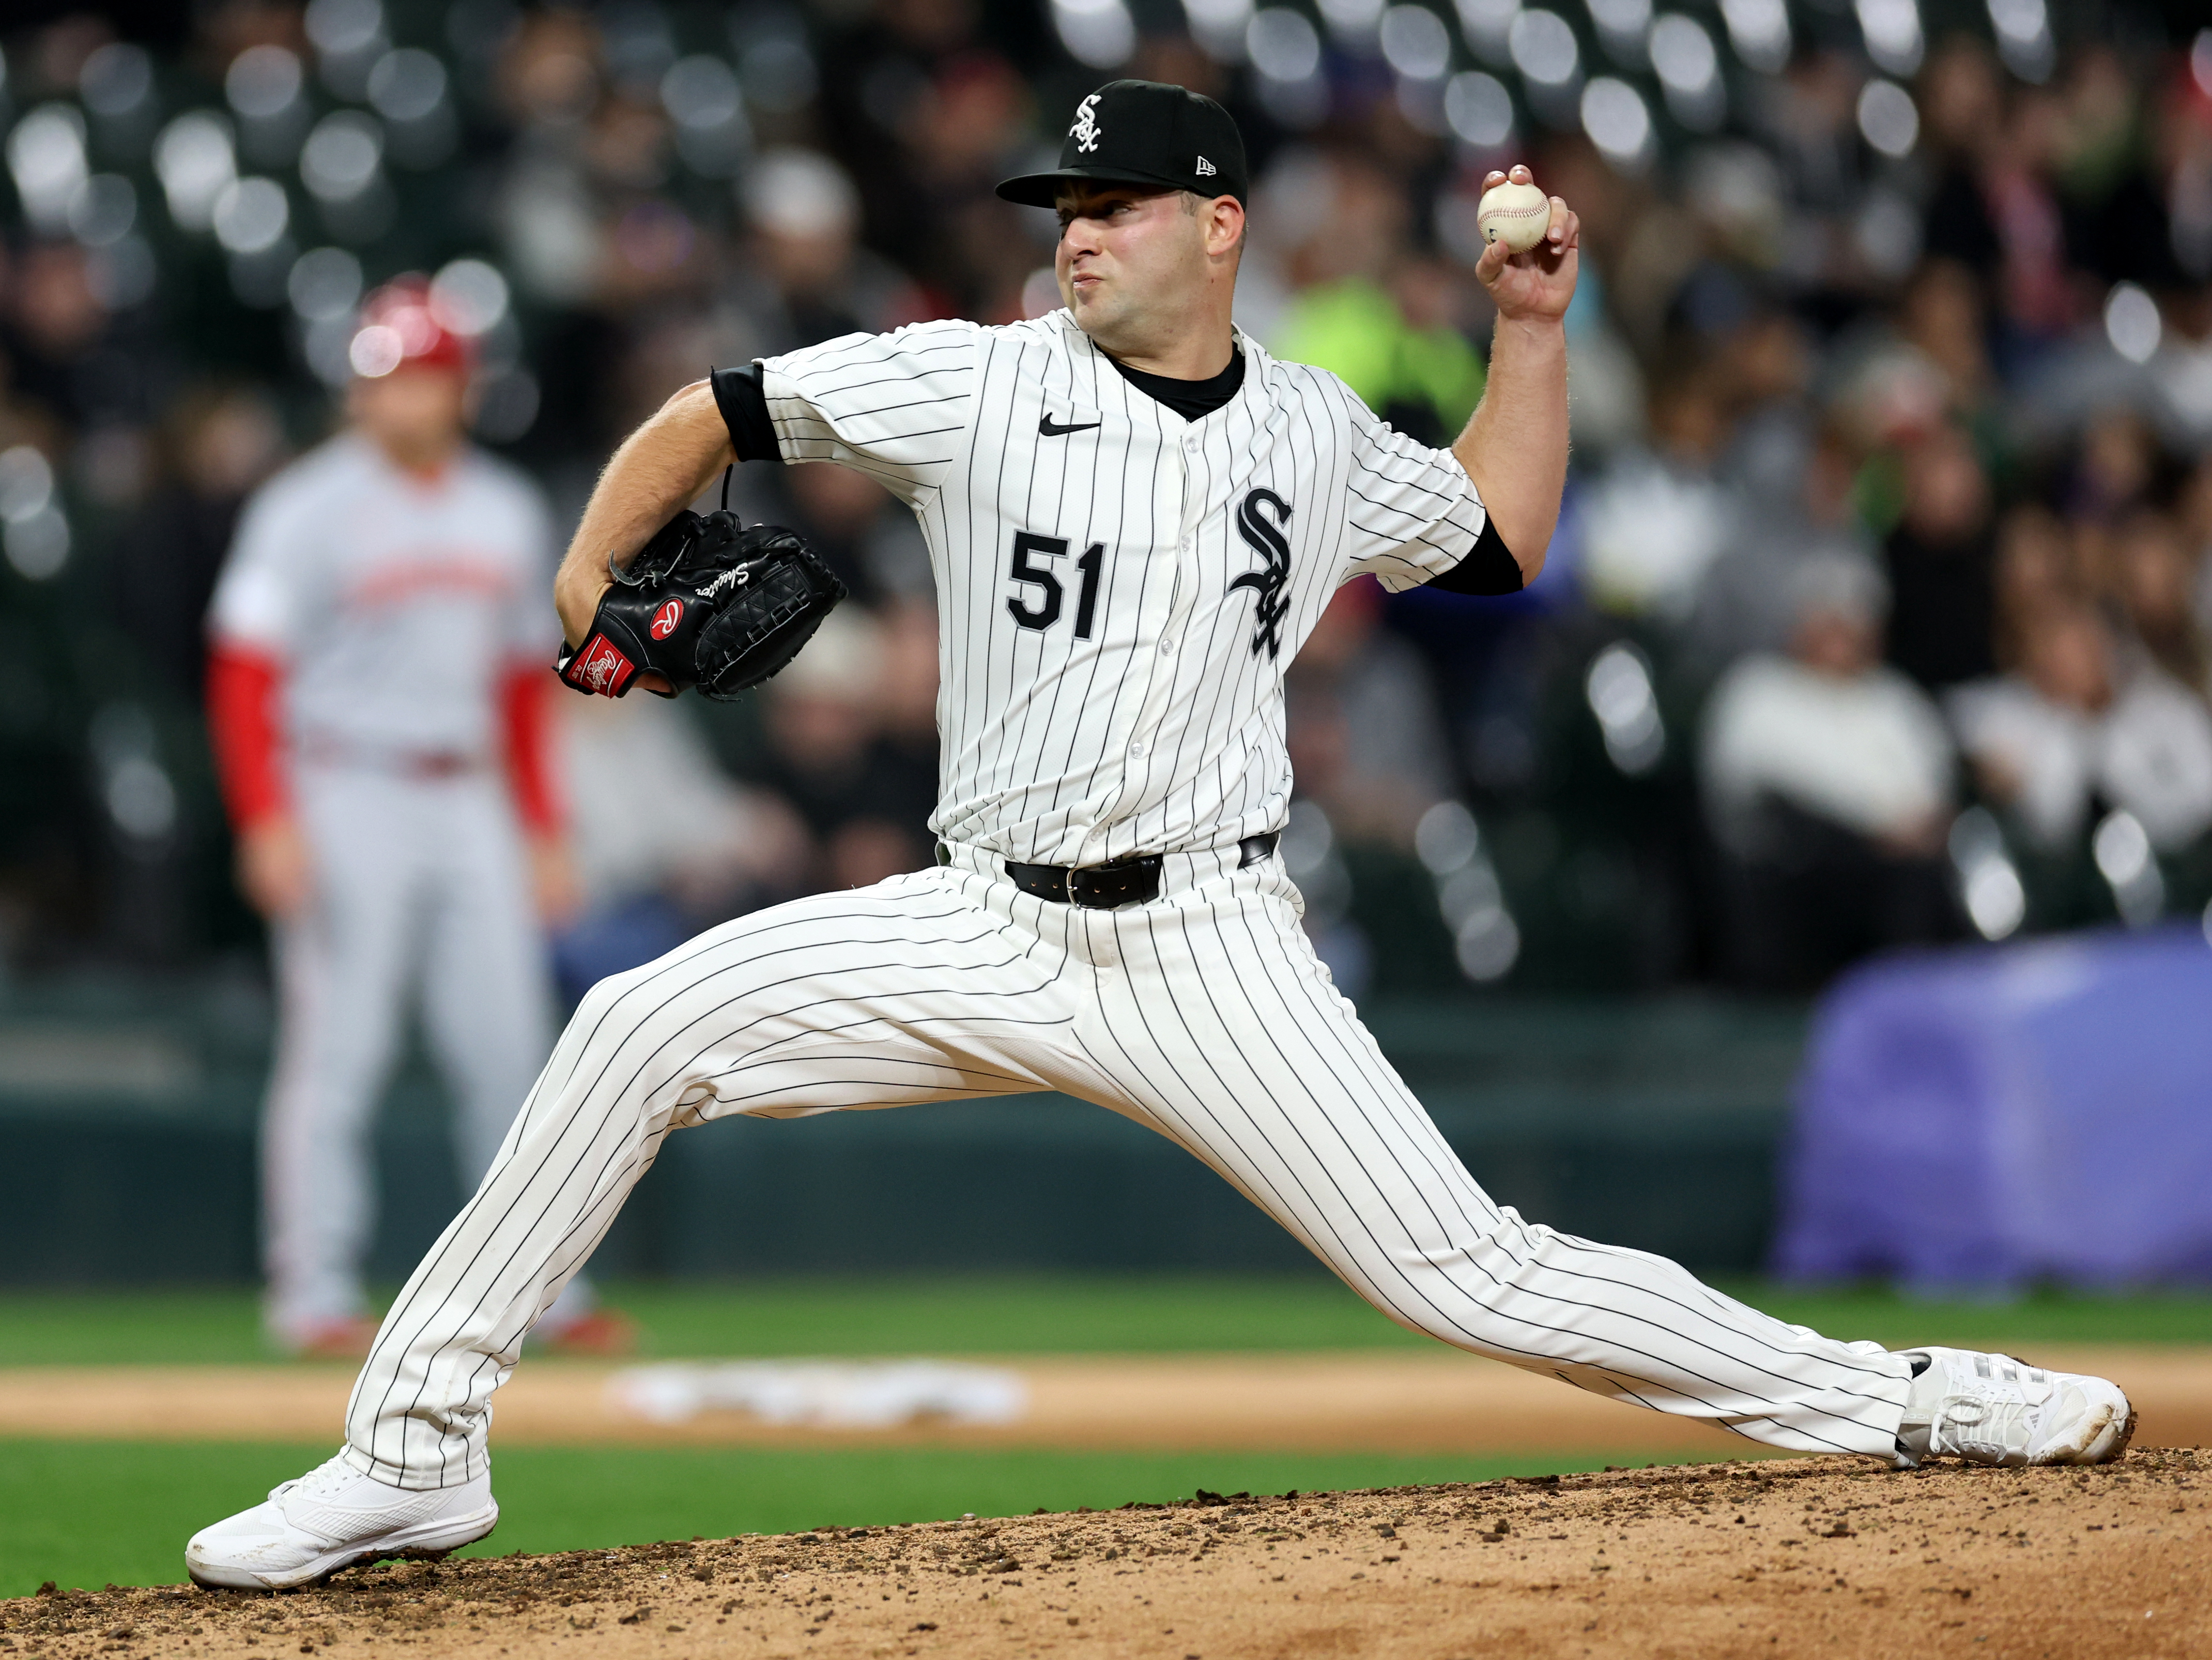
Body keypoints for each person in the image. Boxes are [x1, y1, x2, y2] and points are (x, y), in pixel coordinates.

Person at [185, 82, 2133, 1592]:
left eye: (1113, 207)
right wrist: (587, 583)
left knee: (1478, 1272)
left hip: (1209, 942)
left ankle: (1911, 1397)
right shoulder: (976, 373)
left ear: (1218, 225)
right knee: (629, 1025)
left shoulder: (1307, 423)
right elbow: (708, 410)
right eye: (1063, 208)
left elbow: (1502, 536)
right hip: (979, 915)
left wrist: (1527, 333)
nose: (1078, 235)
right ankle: (420, 1439)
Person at [203, 279, 628, 1360]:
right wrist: (265, 816)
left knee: (514, 1053)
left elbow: (516, 688)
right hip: (346, 783)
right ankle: (311, 1292)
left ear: (460, 388)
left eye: (423, 378)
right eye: (382, 380)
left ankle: (542, 1295)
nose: (400, 400)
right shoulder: (302, 505)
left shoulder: (504, 509)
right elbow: (245, 670)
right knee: (337, 1048)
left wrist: (542, 827)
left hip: (470, 793)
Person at [1700, 557, 1960, 988]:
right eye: (1828, 621)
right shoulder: (1757, 691)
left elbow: (1935, 793)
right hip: (1798, 872)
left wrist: (1917, 832)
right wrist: (1869, 835)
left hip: (1899, 868)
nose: (1840, 635)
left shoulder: (1896, 700)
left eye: (1852, 622)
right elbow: (1760, 796)